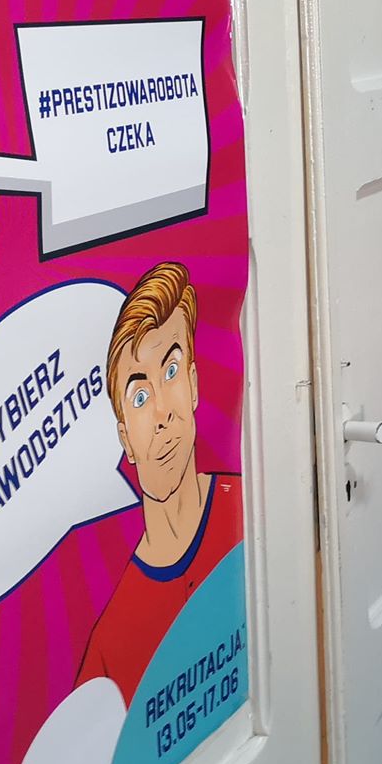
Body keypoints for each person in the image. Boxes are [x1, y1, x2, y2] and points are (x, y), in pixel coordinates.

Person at [79, 261, 244, 699]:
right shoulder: (108, 645)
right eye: (139, 395)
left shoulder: (254, 509)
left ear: (193, 383)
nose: (162, 413)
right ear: (125, 439)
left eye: (170, 372)